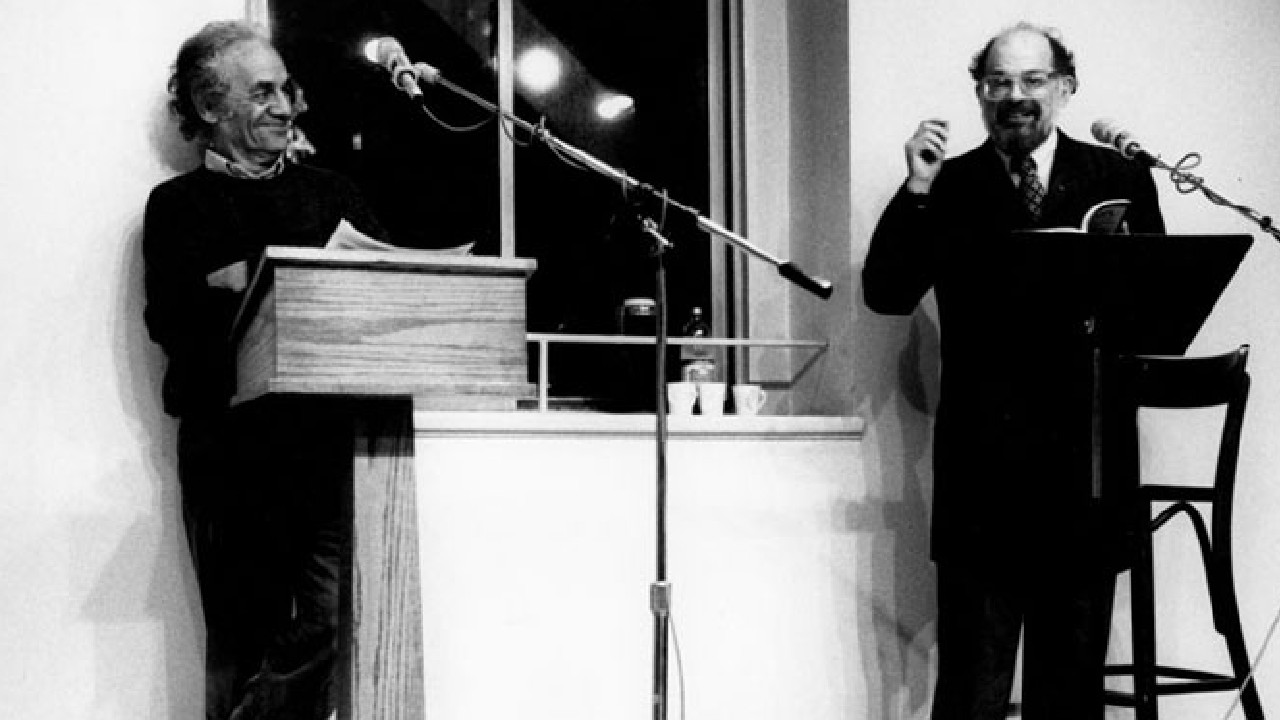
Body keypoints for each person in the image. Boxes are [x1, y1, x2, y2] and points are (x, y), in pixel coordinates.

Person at [861, 23, 1165, 720]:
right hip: (983, 480)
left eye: (1032, 80)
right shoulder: (949, 183)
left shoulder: (1118, 177)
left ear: (1065, 88)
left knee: (1070, 697)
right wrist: (916, 188)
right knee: (972, 693)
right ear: (979, 94)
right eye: (997, 82)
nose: (1014, 96)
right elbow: (887, 292)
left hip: (1086, 475)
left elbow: (1151, 311)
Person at [143, 20, 390, 720]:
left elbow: (380, 294)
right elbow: (173, 324)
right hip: (230, 460)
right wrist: (252, 285)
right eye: (262, 93)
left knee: (335, 620)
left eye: (286, 89)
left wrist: (239, 280)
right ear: (209, 105)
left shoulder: (334, 195)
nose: (285, 106)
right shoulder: (177, 207)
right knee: (241, 647)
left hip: (327, 451)